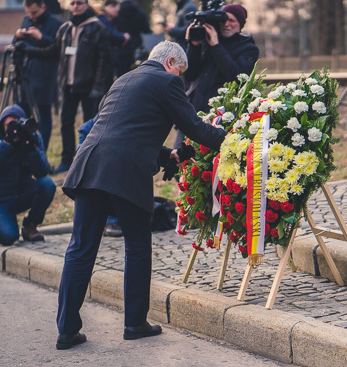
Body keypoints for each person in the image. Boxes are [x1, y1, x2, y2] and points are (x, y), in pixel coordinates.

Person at [54, 41, 226, 350]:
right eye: (181, 70)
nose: (182, 78)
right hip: (124, 175)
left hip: (90, 166)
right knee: (136, 246)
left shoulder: (123, 79)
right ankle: (134, 323)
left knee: (80, 248)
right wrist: (235, 140)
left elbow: (119, 131)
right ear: (171, 61)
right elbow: (197, 128)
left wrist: (167, 155)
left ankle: (66, 330)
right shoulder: (167, 81)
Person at [26, 0, 111, 175]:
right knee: (65, 123)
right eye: (72, 3)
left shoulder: (98, 28)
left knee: (91, 125)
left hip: (89, 87)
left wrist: (98, 87)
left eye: (79, 3)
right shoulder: (65, 29)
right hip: (68, 85)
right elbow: (53, 51)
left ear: (86, 5)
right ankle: (67, 161)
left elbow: (104, 61)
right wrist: (27, 50)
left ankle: (90, 161)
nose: (75, 7)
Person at [176, 3, 258, 148]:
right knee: (179, 157)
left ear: (240, 24)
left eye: (232, 20)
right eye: (223, 20)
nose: (226, 24)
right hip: (193, 111)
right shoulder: (205, 40)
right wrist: (193, 45)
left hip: (220, 115)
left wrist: (216, 45)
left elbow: (236, 76)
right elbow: (189, 75)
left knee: (206, 163)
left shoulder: (248, 48)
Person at [0, 105, 56, 246]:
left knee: (47, 185)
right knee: (8, 237)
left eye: (17, 123)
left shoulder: (33, 136)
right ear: (2, 125)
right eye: (9, 125)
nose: (15, 129)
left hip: (20, 193)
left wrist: (31, 149)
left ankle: (30, 226)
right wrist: (7, 142)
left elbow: (42, 171)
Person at [14, 0, 62, 153]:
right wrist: (17, 37)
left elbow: (57, 49)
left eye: (34, 12)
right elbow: (18, 47)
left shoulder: (55, 24)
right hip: (26, 76)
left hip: (45, 78)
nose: (31, 16)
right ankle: (24, 151)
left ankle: (41, 152)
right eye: (28, 13)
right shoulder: (26, 20)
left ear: (43, 7)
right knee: (23, 115)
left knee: (43, 117)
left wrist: (41, 37)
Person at [96, 0, 130, 90]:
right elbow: (109, 34)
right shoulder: (101, 20)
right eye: (116, 11)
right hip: (102, 62)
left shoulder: (108, 20)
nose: (117, 14)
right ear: (110, 6)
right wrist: (123, 37)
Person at [114, 0, 151, 77]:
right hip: (135, 51)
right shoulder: (141, 13)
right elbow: (147, 32)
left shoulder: (116, 13)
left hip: (119, 49)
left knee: (120, 78)